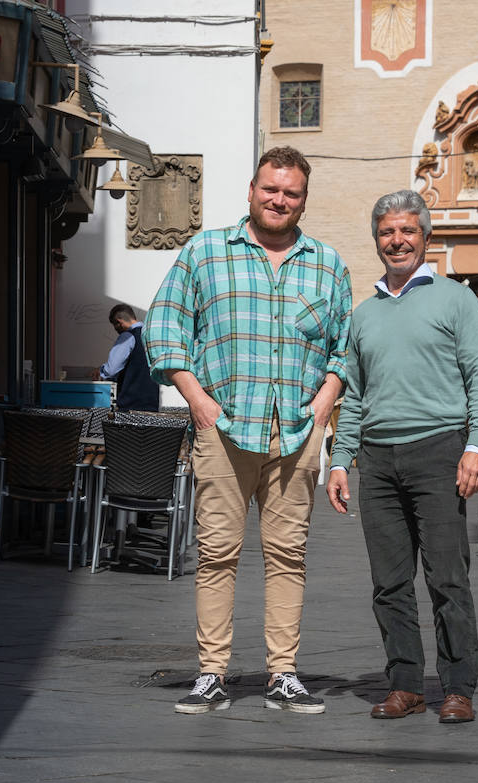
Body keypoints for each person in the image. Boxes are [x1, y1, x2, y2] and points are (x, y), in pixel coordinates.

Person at [145, 146, 351, 715]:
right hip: (224, 428)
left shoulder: (327, 264)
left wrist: (323, 405)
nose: (279, 200)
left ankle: (282, 673)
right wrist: (197, 401)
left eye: (291, 193)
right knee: (216, 553)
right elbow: (163, 327)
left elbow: (345, 350)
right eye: (271, 189)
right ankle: (212, 674)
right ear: (252, 190)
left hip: (296, 433)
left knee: (289, 555)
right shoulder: (206, 252)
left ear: (303, 200)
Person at [325, 190, 478, 725]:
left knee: (448, 577)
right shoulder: (364, 314)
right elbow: (353, 395)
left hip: (440, 450)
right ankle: (405, 684)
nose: (396, 240)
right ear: (376, 239)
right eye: (386, 232)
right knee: (389, 582)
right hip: (376, 462)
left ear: (425, 237)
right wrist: (340, 458)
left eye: (406, 231)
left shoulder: (456, 300)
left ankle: (458, 687)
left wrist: (476, 446)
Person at [99, 304, 158, 411]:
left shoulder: (127, 336)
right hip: (152, 404)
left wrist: (101, 372)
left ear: (119, 322)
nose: (115, 330)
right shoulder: (151, 336)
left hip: (130, 406)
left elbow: (111, 370)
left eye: (115, 326)